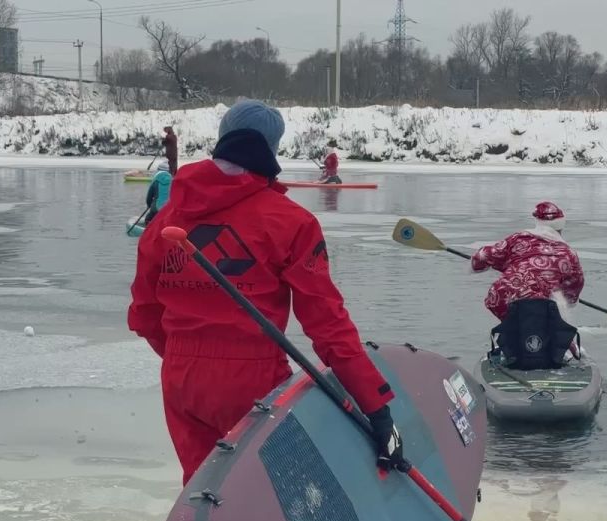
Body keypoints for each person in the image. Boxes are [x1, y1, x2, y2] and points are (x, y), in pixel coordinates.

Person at [128, 100, 404, 485]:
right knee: (271, 494)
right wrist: (376, 407)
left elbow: (143, 314)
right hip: (252, 380)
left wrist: (187, 354)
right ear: (273, 149)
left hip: (181, 380)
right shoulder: (291, 222)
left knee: (206, 491)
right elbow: (327, 326)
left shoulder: (166, 220)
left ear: (222, 138)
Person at [472, 202, 585, 365]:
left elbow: (485, 256)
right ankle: (564, 347)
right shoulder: (568, 252)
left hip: (502, 295)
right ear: (560, 227)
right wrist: (570, 299)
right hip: (538, 301)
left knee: (520, 318)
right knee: (546, 313)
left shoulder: (517, 238)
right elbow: (575, 283)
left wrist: (477, 264)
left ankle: (513, 346)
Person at [144, 127, 178, 225]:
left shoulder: (171, 136)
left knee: (150, 216)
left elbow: (149, 197)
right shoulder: (172, 183)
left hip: (172, 158)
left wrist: (149, 205)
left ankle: (148, 225)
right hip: (168, 209)